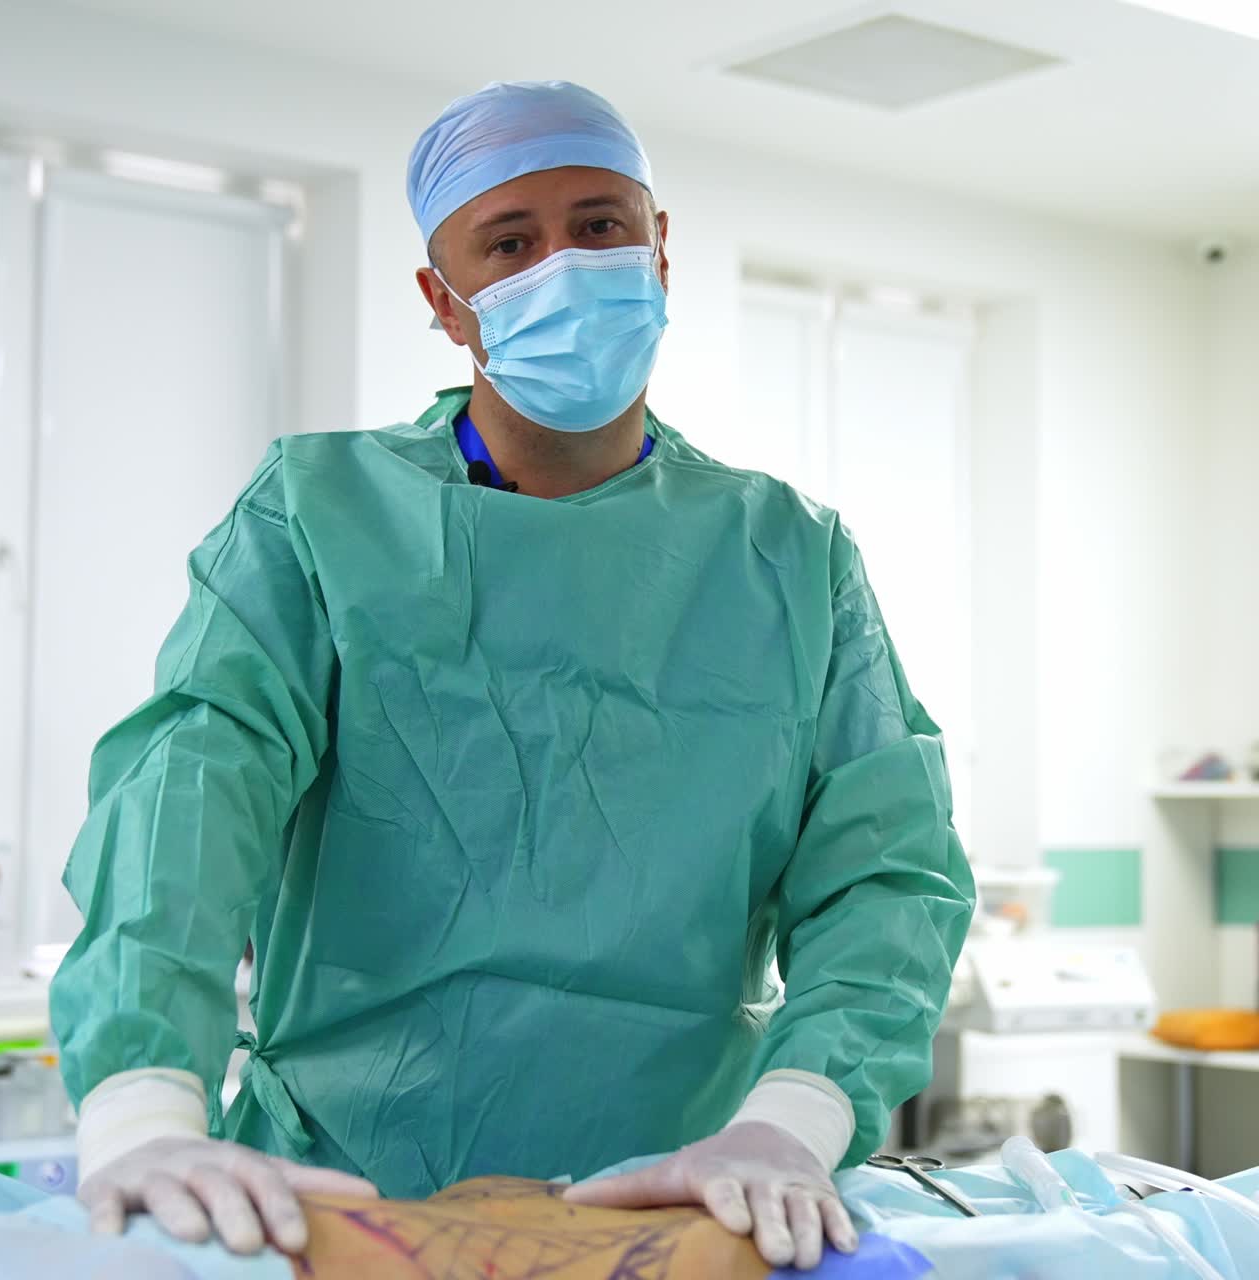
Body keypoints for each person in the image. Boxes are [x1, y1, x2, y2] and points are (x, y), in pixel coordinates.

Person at [49, 80, 974, 1274]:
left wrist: (789, 1120)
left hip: (689, 1201)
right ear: (445, 301)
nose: (565, 266)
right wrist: (142, 1111)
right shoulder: (319, 519)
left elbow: (886, 873)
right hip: (341, 1195)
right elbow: (189, 791)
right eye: (509, 242)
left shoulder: (790, 557)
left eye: (599, 225)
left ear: (658, 251)